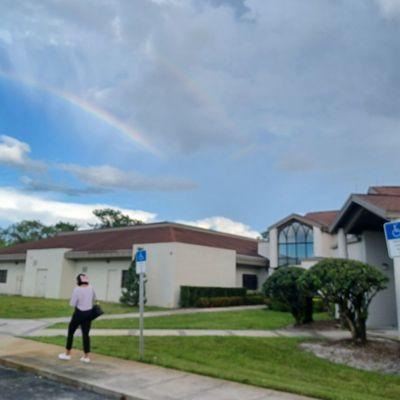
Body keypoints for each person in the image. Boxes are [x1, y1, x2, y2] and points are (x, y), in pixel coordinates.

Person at [58, 273, 96, 363]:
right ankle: (86, 356)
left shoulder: (77, 290)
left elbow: (72, 303)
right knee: (86, 334)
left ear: (78, 281)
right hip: (89, 313)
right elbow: (93, 298)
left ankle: (67, 354)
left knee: (71, 331)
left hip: (79, 313)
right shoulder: (91, 287)